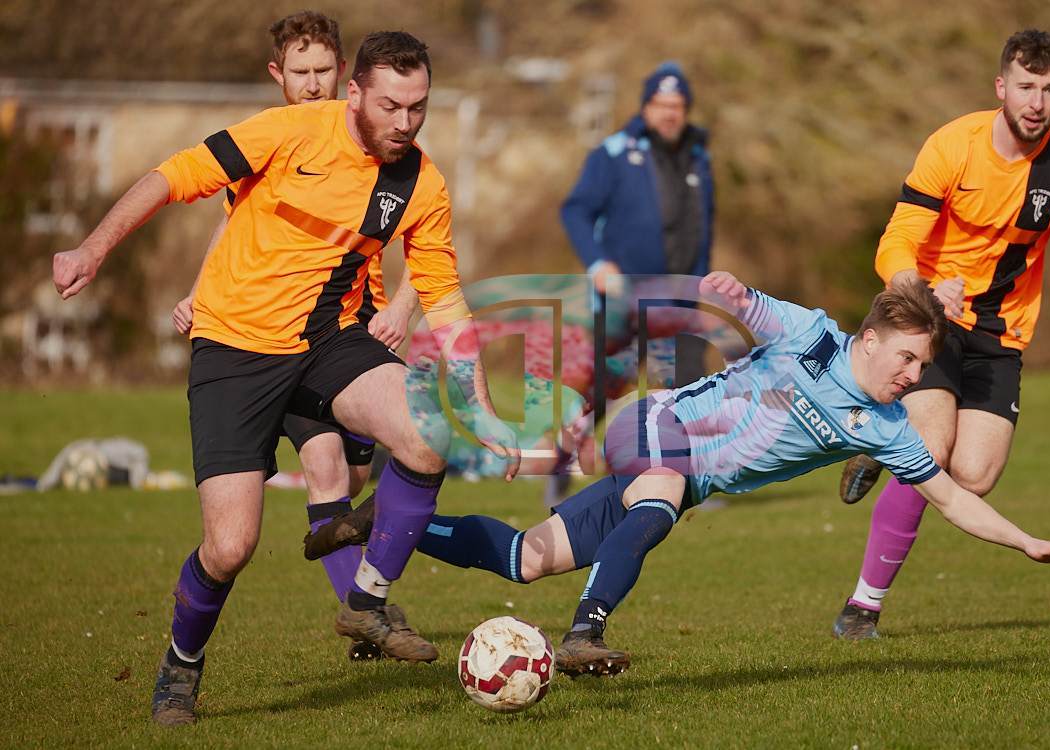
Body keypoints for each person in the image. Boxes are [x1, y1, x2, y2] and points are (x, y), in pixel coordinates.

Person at [52, 30, 518, 726]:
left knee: (428, 434)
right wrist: (94, 248)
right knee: (230, 547)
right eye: (391, 106)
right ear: (355, 93)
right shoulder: (288, 132)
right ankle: (181, 664)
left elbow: (444, 297)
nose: (405, 122)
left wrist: (480, 406)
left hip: (327, 339)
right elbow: (171, 176)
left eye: (418, 107)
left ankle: (366, 601)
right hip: (233, 350)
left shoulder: (420, 183)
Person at [307, 271, 1050, 677]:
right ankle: (584, 634)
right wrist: (731, 293)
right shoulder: (815, 337)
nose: (916, 377)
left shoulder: (886, 427)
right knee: (659, 501)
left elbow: (951, 497)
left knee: (526, 557)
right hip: (659, 425)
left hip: (685, 477)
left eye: (924, 366)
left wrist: (1027, 542)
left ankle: (389, 520)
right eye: (910, 359)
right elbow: (754, 307)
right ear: (874, 338)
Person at [832, 29, 1050, 640]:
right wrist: (922, 293)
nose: (1037, 103)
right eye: (1025, 87)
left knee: (976, 475)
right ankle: (863, 607)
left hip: (1002, 332)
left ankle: (884, 441)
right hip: (932, 320)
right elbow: (896, 240)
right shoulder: (953, 145)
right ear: (1000, 87)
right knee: (929, 450)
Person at [169, 11, 418, 664]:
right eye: (300, 72)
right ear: (277, 76)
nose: (312, 84)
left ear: (345, 74)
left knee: (357, 474)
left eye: (323, 71)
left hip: (352, 335)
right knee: (324, 469)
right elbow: (231, 230)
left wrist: (405, 308)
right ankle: (364, 613)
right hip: (272, 339)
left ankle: (344, 550)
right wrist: (198, 293)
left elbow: (427, 245)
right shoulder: (270, 144)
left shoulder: (381, 146)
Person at [555, 61, 716, 501]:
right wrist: (597, 264)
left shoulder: (699, 156)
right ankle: (561, 458)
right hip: (624, 296)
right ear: (645, 107)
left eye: (677, 105)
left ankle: (692, 481)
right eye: (661, 104)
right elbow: (575, 210)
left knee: (692, 387)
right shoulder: (613, 153)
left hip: (680, 297)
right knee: (605, 387)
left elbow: (704, 225)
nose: (669, 113)